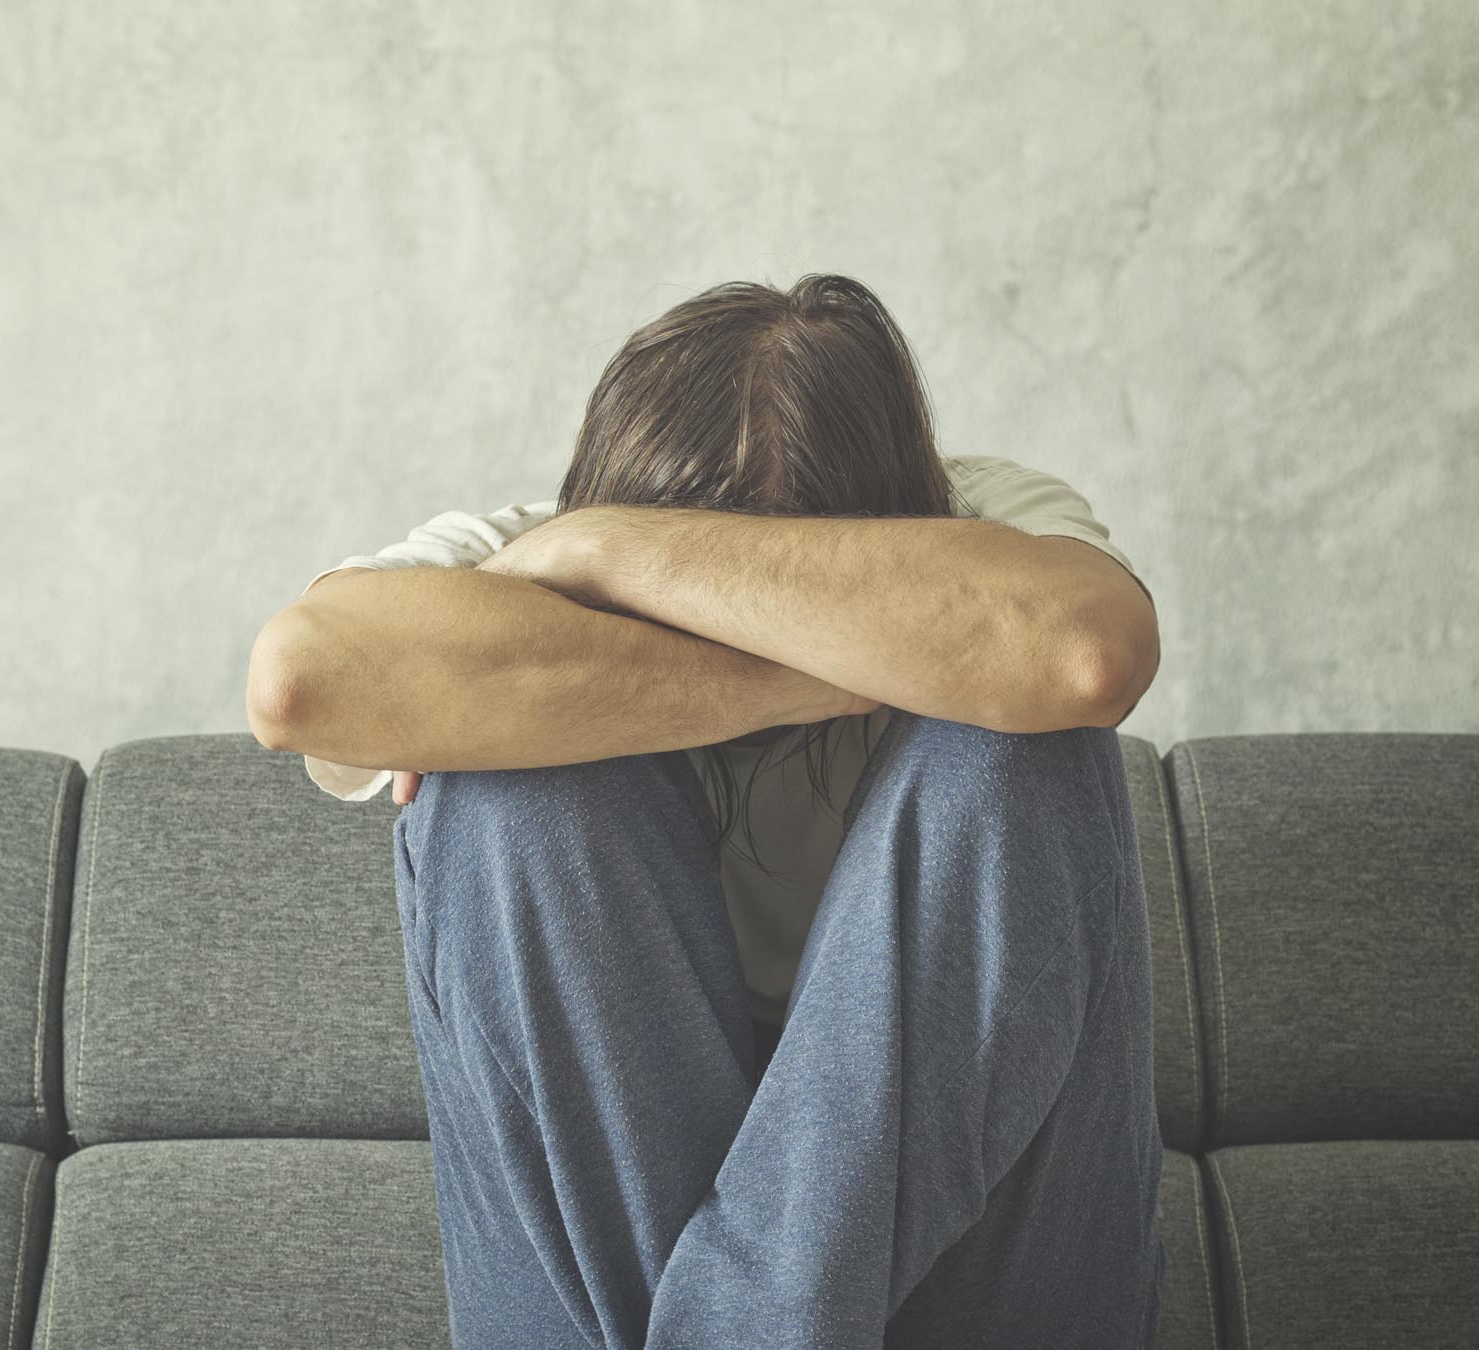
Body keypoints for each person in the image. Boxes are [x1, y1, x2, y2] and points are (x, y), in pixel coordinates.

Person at [245, 274, 1166, 1348]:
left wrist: (615, 559)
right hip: (591, 1281)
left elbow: (1090, 656)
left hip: (981, 1271)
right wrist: (805, 669)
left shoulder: (990, 524)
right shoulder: (506, 544)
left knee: (1025, 758)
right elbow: (296, 686)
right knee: (509, 791)